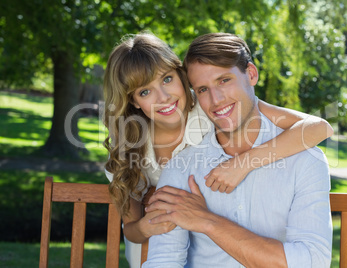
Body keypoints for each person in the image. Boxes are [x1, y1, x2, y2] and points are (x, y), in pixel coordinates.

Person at [103, 32, 333, 267]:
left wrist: (243, 164)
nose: (163, 98)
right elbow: (137, 234)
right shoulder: (132, 150)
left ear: (181, 78)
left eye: (166, 79)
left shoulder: (210, 110)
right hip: (154, 238)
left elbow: (318, 127)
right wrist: (146, 224)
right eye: (144, 92)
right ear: (133, 101)